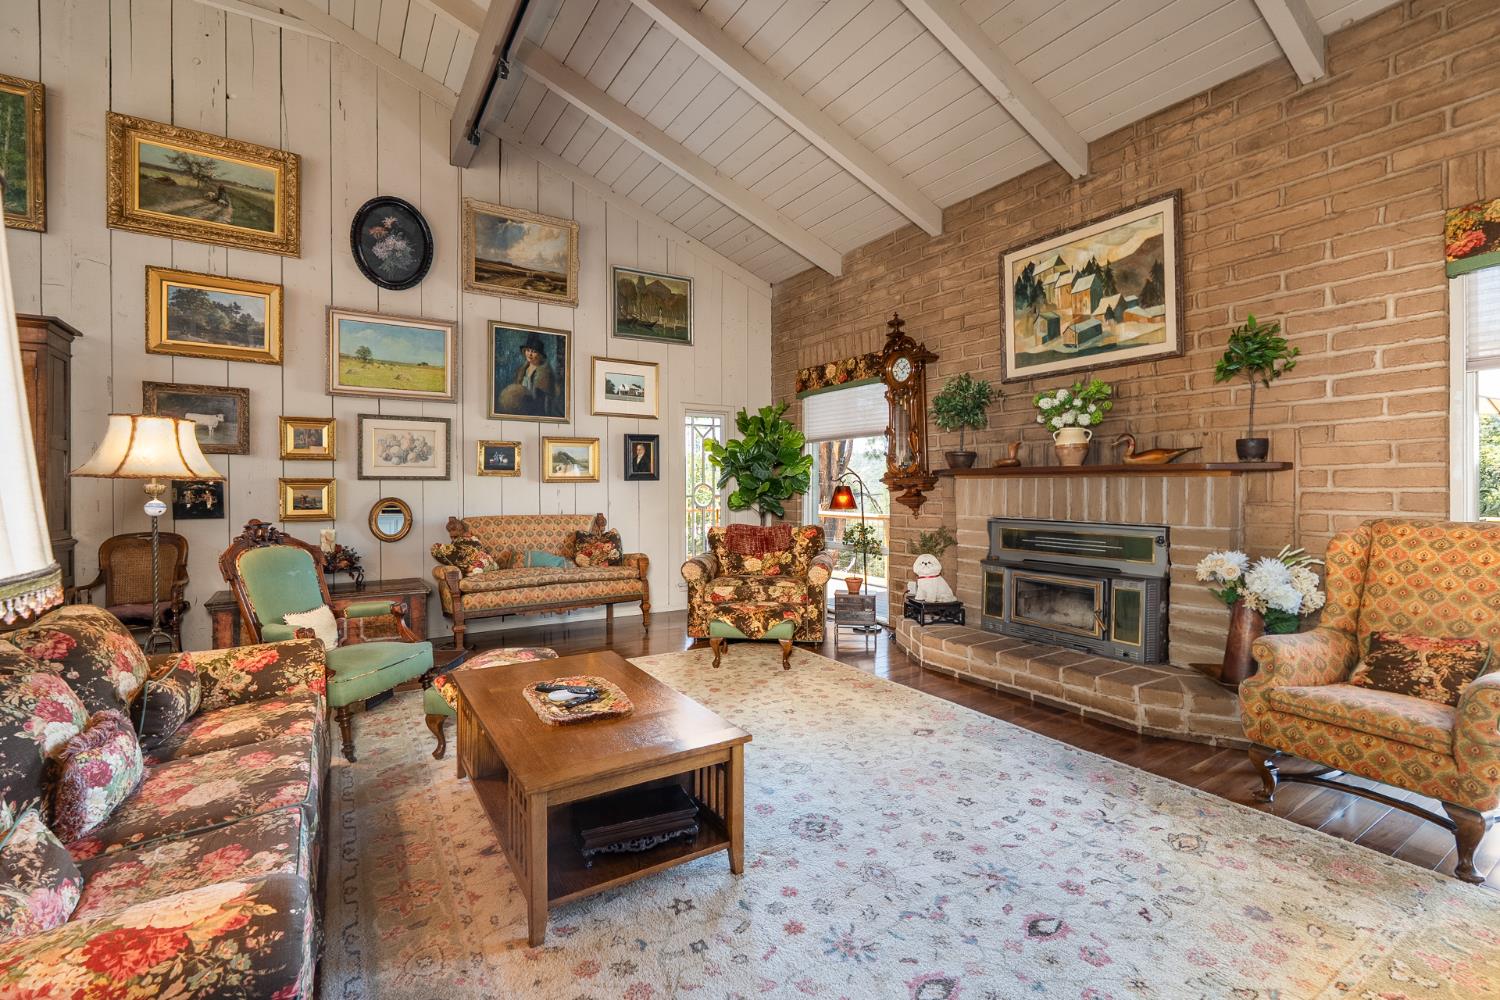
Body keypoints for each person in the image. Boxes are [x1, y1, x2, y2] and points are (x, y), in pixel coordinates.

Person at [496, 332, 561, 417]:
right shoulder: (522, 370)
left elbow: (543, 401)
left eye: (534, 352)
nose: (530, 354)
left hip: (535, 409)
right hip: (521, 406)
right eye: (528, 350)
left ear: (540, 355)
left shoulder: (545, 373)